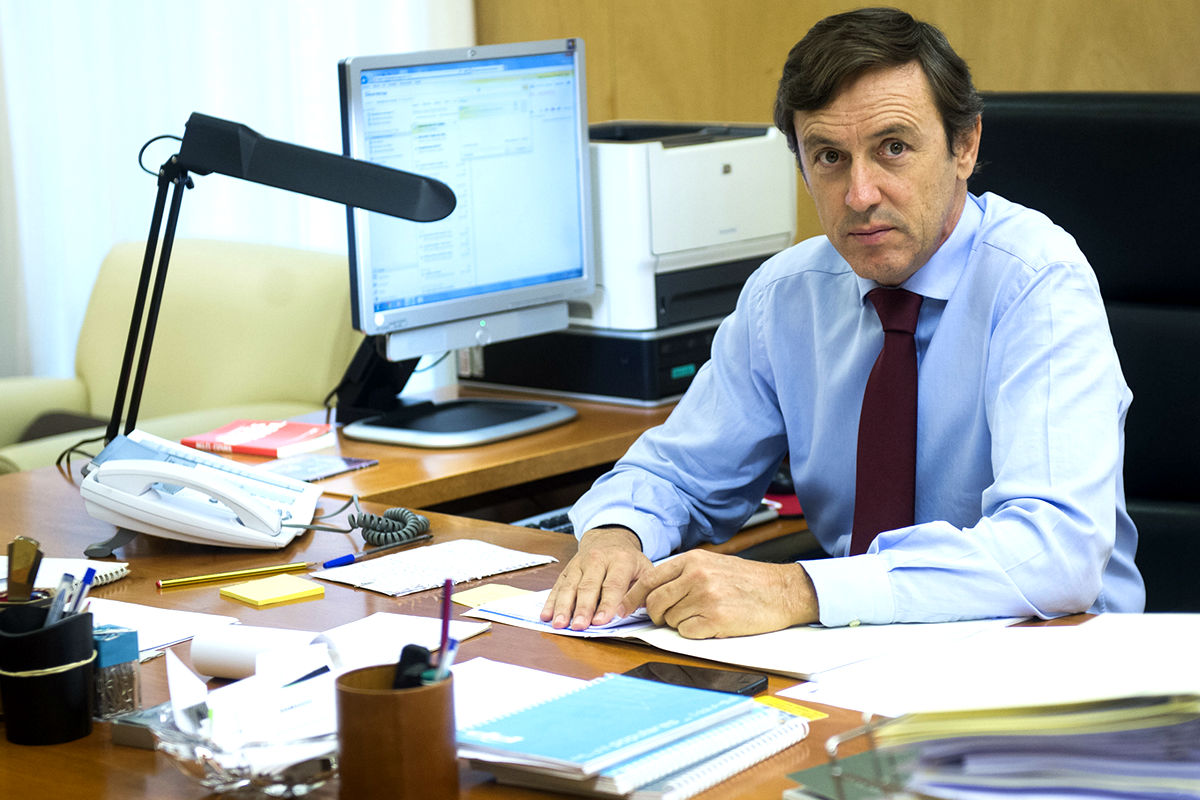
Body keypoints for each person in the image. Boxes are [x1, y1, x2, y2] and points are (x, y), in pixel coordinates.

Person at [540, 6, 1145, 638]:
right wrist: (616, 535)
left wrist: (799, 587)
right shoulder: (785, 297)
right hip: (852, 657)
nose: (860, 194)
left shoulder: (1037, 281)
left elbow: (1056, 554)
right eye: (829, 156)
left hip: (1047, 660)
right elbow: (676, 475)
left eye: (893, 148)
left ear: (964, 146)